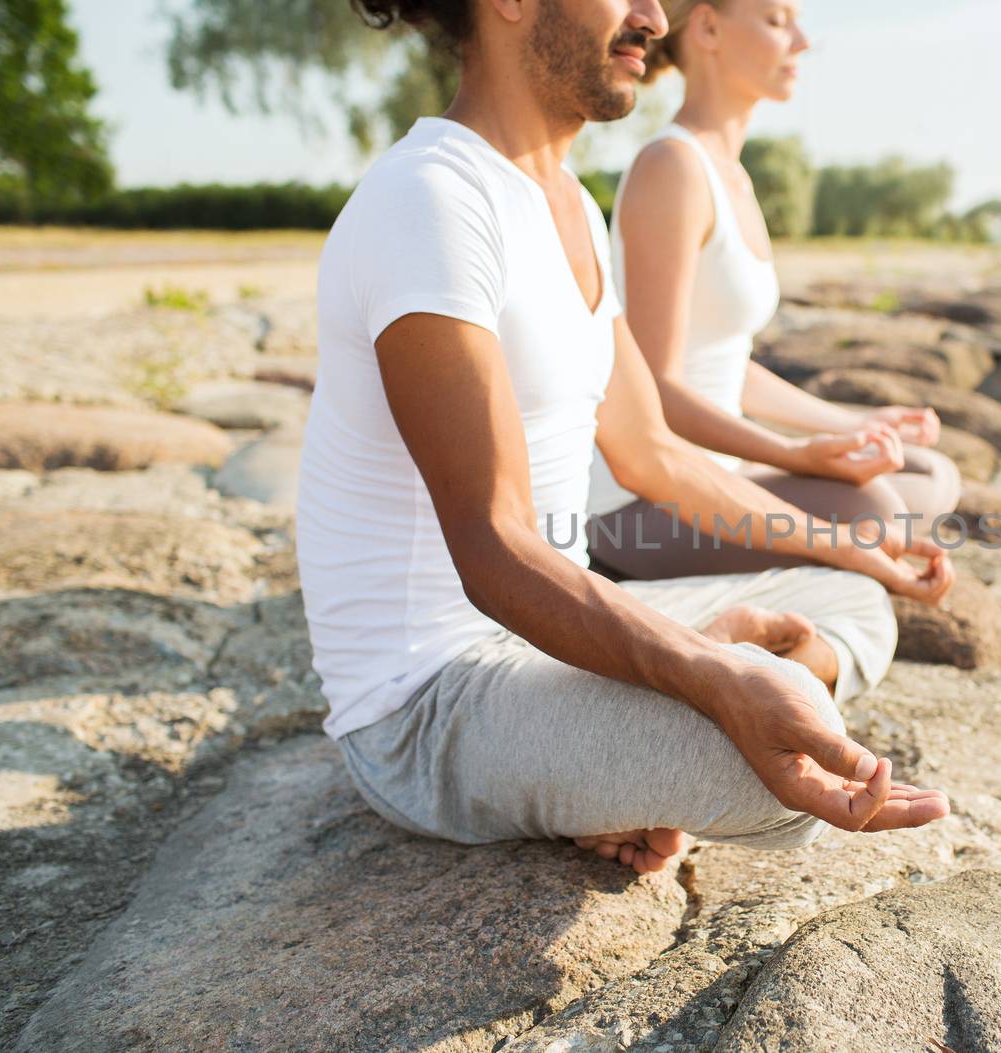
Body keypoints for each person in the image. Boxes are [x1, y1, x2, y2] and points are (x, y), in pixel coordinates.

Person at [296, 0, 954, 876]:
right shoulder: (430, 201)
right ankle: (633, 737)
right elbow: (494, 548)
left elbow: (654, 455)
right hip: (427, 705)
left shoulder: (564, 199)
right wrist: (714, 678)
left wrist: (856, 549)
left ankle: (630, 739)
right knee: (783, 743)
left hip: (539, 633)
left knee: (854, 602)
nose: (652, 15)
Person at [584, 0, 962, 578]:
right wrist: (792, 453)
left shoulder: (730, 173)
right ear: (708, 27)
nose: (803, 42)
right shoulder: (672, 168)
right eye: (778, 21)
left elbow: (722, 363)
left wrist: (854, 423)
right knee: (876, 513)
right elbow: (656, 389)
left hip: (722, 474)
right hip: (638, 503)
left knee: (932, 476)